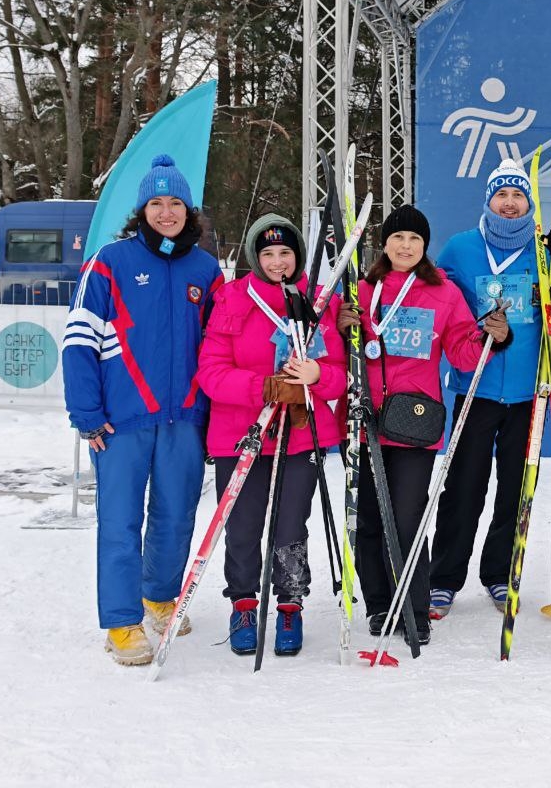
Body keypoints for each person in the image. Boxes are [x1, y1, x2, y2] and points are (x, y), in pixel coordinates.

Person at [62, 154, 223, 666]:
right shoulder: (110, 261)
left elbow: (225, 342)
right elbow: (78, 340)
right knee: (121, 521)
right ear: (142, 210)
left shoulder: (205, 268)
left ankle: (158, 595)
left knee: (175, 517)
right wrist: (86, 412)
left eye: (175, 202)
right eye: (157, 202)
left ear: (188, 209)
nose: (167, 211)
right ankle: (121, 621)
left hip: (185, 418)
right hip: (122, 420)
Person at [427, 160, 551, 619]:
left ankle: (500, 573)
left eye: (518, 195)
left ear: (528, 203)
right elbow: (436, 298)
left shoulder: (547, 251)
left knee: (515, 490)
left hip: (528, 392)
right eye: (503, 195)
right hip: (475, 388)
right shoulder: (460, 248)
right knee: (463, 488)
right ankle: (443, 578)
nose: (511, 203)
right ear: (489, 200)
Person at [197, 214, 352, 658]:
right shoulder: (231, 299)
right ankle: (244, 604)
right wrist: (262, 387)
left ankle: (289, 604)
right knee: (243, 525)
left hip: (300, 434)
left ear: (298, 256)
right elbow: (210, 372)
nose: (278, 261)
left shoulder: (319, 302)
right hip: (242, 433)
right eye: (267, 254)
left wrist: (317, 375)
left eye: (286, 253)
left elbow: (341, 377)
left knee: (290, 526)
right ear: (253, 257)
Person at [356, 205, 513, 646]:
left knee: (407, 515)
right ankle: (379, 604)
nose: (405, 246)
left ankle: (413, 604)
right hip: (368, 415)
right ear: (384, 244)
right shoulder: (363, 290)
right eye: (397, 238)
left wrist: (489, 337)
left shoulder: (442, 291)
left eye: (414, 240)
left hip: (414, 420)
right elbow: (341, 345)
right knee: (371, 516)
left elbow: (464, 353)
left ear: (424, 247)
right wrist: (343, 322)